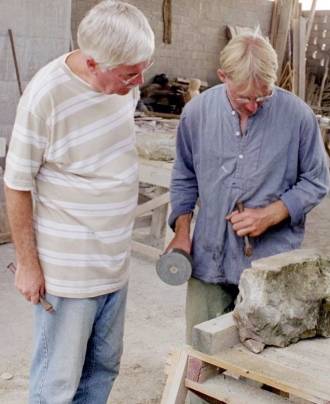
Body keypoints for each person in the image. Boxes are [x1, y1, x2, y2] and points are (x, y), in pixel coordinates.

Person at [4, 1, 154, 403]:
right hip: (68, 274)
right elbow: (16, 183)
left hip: (114, 264)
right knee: (57, 384)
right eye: (128, 74)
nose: (139, 80)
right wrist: (28, 265)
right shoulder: (45, 97)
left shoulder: (124, 83)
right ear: (92, 63)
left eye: (143, 67)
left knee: (103, 369)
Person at [166, 31, 330, 349]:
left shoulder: (298, 117)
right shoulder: (196, 114)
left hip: (271, 265)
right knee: (204, 354)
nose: (254, 106)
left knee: (268, 363)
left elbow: (317, 180)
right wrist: (182, 230)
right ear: (223, 76)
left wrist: (272, 214)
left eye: (263, 97)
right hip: (208, 259)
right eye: (244, 98)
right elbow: (184, 176)